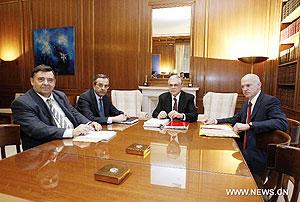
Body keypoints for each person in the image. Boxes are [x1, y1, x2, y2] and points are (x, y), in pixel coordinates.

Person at [204, 74, 288, 177]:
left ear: (259, 85)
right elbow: (236, 118)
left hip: (257, 154)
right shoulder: (247, 102)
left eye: (248, 85)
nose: (245, 89)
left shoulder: (269, 101)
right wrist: (216, 120)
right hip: (242, 148)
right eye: (242, 86)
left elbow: (282, 123)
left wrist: (250, 125)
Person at [11, 65, 102, 150]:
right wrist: (72, 132)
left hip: (72, 144)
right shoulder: (22, 103)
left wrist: (89, 123)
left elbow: (74, 112)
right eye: (41, 79)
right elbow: (37, 129)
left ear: (54, 82)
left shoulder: (60, 95)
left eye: (50, 80)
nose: (46, 83)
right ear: (32, 81)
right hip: (45, 151)